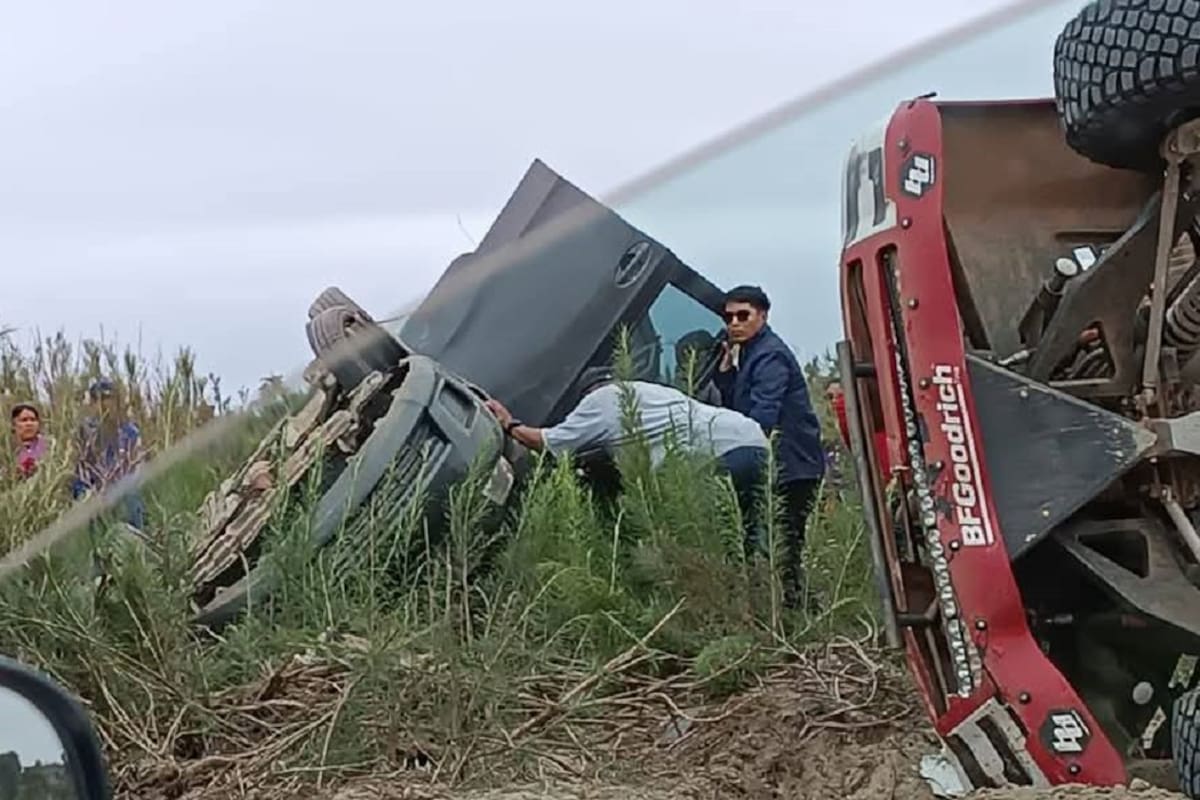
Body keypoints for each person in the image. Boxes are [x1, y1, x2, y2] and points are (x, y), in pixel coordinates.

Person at [483, 366, 769, 542]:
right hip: (755, 442)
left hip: (720, 458)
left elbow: (549, 441)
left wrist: (509, 424)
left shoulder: (600, 400)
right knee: (750, 536)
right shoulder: (648, 390)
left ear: (587, 393)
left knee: (697, 535)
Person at [712, 285, 826, 609]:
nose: (734, 323)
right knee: (775, 547)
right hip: (783, 465)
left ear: (762, 315)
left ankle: (799, 616)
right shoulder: (751, 353)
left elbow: (762, 415)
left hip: (792, 466)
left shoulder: (770, 355)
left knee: (785, 548)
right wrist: (725, 376)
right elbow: (743, 404)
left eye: (743, 315)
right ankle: (788, 613)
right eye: (728, 316)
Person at [71, 377, 146, 531]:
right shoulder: (84, 432)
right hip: (92, 494)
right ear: (92, 403)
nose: (105, 405)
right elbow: (80, 471)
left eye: (109, 399)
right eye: (100, 399)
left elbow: (137, 468)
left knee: (131, 500)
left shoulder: (130, 432)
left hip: (124, 494)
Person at [10, 402, 52, 479]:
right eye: (24, 420)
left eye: (33, 420)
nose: (29, 424)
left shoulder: (49, 445)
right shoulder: (7, 448)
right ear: (14, 425)